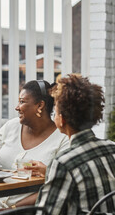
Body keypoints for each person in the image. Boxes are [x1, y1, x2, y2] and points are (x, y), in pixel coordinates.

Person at [0, 80, 69, 215]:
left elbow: (54, 188)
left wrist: (12, 209)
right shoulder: (11, 126)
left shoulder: (62, 139)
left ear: (40, 105)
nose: (17, 107)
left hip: (25, 209)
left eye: (22, 102)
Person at [36, 74, 115, 214]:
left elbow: (46, 212)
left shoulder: (64, 163)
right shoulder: (111, 147)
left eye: (55, 110)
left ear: (62, 119)